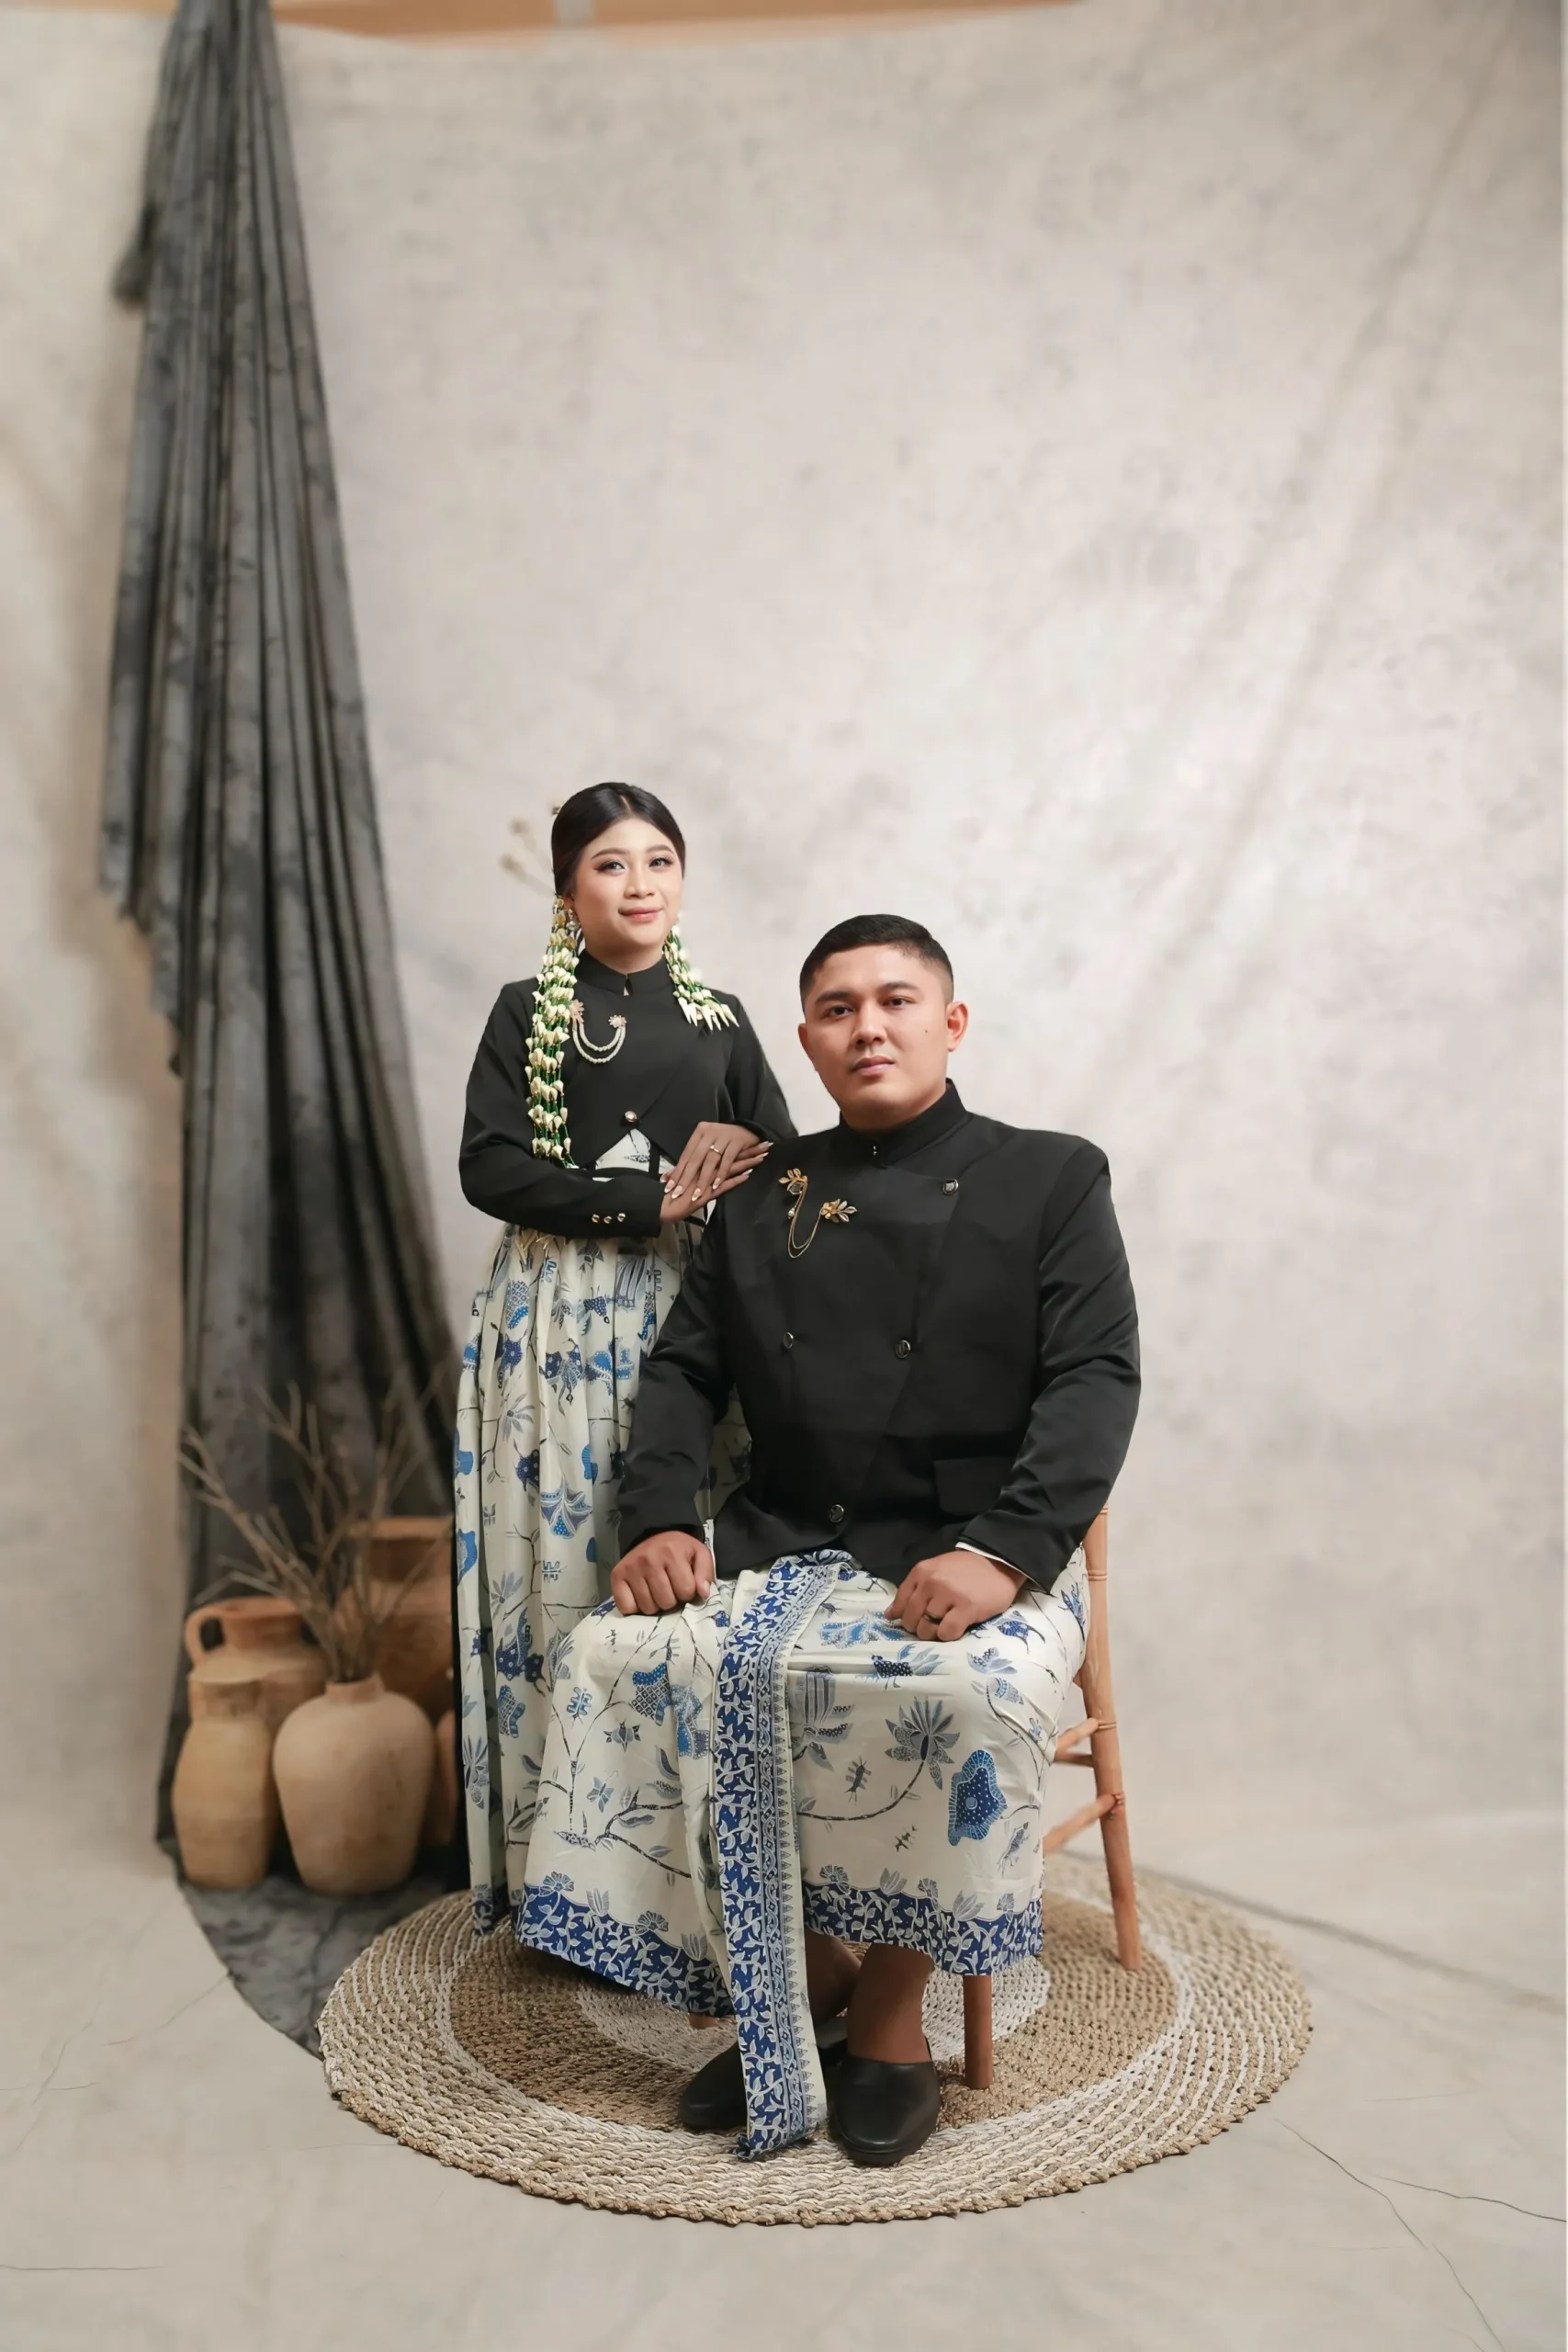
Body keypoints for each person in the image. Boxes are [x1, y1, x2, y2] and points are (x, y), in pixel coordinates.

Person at [515, 910, 1140, 2167]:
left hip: (976, 1553)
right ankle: (806, 1974)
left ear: (950, 1023)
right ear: (805, 1040)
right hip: (782, 1538)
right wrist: (658, 1521)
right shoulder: (759, 1195)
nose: (869, 1027)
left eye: (896, 1001)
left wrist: (1003, 1550)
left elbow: (1095, 1376)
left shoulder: (1052, 1176)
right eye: (839, 1008)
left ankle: (892, 2010)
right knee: (614, 1661)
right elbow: (683, 1376)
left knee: (953, 1698)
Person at [454, 784, 794, 1937]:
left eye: (659, 860)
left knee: (681, 1549)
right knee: (560, 1555)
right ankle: (560, 1868)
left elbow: (790, 1169)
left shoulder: (723, 1021)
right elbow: (490, 1166)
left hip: (688, 1317)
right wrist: (641, 1199)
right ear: (567, 892)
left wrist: (749, 1148)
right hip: (554, 1318)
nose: (639, 883)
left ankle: (695, 1856)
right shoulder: (526, 1013)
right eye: (610, 863)